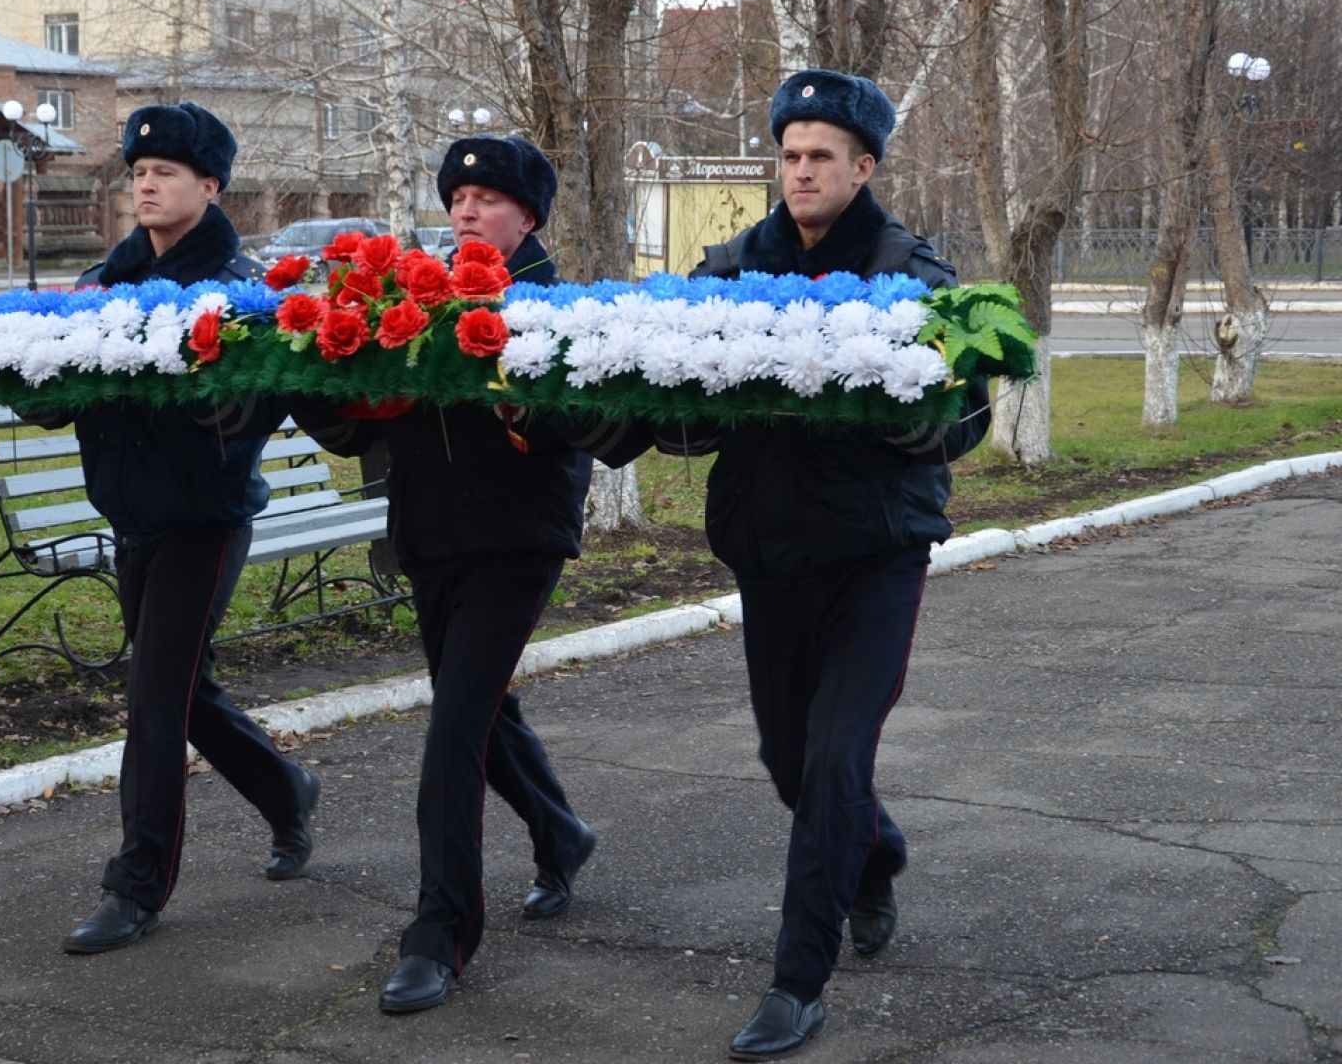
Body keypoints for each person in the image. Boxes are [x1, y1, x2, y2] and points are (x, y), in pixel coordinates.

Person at [678, 70, 990, 1060]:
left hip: (875, 554)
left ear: (864, 167)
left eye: (821, 156)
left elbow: (965, 411)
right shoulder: (729, 268)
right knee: (789, 761)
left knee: (833, 756)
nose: (801, 171)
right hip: (770, 553)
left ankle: (795, 980)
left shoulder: (915, 273)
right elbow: (673, 405)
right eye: (790, 154)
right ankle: (875, 855)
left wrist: (912, 411)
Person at [293, 135, 602, 1014]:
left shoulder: (553, 306)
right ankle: (560, 832)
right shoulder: (409, 296)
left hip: (516, 539)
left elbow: (566, 426)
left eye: (488, 198)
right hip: (429, 536)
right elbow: (359, 429)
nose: (467, 209)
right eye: (457, 198)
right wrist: (303, 369)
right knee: (484, 712)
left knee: (455, 729)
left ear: (527, 215)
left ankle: (440, 934)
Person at [55, 102, 321, 955]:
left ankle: (136, 886)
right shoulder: (105, 282)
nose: (146, 184)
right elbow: (51, 395)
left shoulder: (241, 287)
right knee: (181, 692)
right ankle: (287, 793)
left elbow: (254, 407)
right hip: (133, 518)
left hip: (205, 519)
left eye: (165, 172)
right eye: (138, 173)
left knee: (155, 699)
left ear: (210, 186)